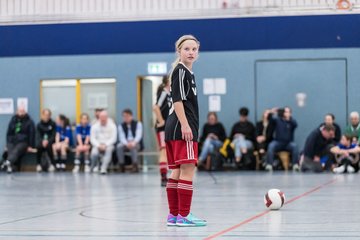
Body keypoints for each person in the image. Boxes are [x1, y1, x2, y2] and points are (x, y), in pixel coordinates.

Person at [164, 35, 206, 227]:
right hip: (182, 127)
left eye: (194, 49)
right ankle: (184, 215)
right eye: (186, 49)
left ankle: (174, 215)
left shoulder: (188, 73)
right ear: (179, 51)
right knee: (188, 170)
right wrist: (186, 125)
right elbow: (178, 100)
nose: (190, 52)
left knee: (177, 171)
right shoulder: (180, 71)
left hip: (174, 127)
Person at [2, 106, 35, 173]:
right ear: (17, 112)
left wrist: (31, 146)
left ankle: (7, 162)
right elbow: (9, 133)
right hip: (12, 141)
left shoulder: (29, 121)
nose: (21, 113)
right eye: (20, 111)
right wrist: (7, 143)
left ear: (25, 112)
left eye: (23, 111)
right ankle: (11, 167)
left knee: (17, 150)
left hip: (23, 142)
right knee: (10, 150)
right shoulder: (13, 120)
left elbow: (32, 134)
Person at [153, 76, 171, 186]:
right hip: (162, 128)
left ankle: (167, 175)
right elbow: (155, 107)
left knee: (168, 152)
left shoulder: (170, 94)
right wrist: (161, 121)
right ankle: (163, 177)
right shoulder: (163, 93)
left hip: (169, 127)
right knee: (163, 150)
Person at [90, 110, 117, 174]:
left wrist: (105, 145)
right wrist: (98, 145)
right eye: (101, 118)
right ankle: (93, 166)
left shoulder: (112, 125)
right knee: (94, 153)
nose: (102, 120)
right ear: (99, 118)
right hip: (98, 144)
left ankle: (103, 168)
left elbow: (114, 138)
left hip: (108, 145)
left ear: (107, 117)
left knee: (108, 150)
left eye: (104, 118)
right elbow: (92, 138)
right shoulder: (94, 126)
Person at [116, 109, 143, 173]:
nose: (126, 118)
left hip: (136, 143)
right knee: (119, 146)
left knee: (133, 147)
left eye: (127, 116)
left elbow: (138, 135)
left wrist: (133, 143)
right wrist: (126, 143)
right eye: (124, 116)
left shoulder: (138, 124)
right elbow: (121, 137)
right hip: (125, 143)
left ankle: (135, 165)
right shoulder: (121, 126)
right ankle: (121, 165)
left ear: (131, 116)